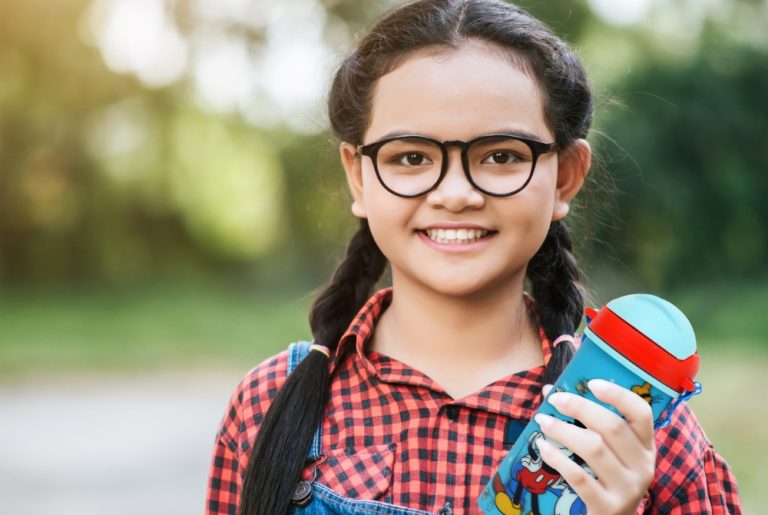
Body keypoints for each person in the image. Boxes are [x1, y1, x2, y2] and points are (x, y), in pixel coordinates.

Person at [205, 1, 742, 514]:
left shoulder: (634, 429)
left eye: (501, 155)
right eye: (410, 157)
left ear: (565, 176)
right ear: (359, 176)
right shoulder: (267, 405)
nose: (456, 194)